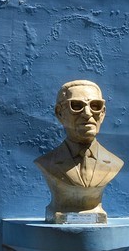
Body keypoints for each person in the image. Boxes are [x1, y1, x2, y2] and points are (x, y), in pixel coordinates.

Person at [35, 79, 124, 221]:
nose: (88, 113)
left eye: (95, 106)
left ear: (103, 113)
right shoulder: (47, 163)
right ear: (60, 113)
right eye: (76, 106)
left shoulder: (114, 163)